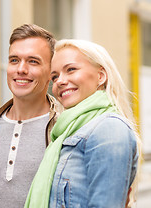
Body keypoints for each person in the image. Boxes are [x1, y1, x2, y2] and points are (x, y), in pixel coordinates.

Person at [24, 39, 139, 208]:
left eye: (71, 70)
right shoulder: (66, 132)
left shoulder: (109, 128)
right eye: (54, 77)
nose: (60, 81)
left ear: (101, 76)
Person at [0, 24, 63, 207]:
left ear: (51, 74)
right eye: (14, 60)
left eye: (33, 61)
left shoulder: (64, 129)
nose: (21, 69)